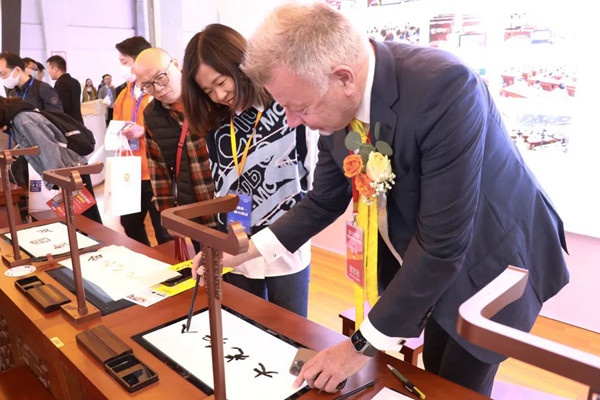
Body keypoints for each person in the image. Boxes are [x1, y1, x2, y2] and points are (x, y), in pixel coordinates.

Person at [196, 3, 569, 396]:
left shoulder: (445, 87)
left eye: (299, 108)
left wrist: (356, 349)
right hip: (427, 257)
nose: (290, 120)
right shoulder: (332, 101)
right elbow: (323, 200)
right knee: (433, 369)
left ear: (343, 79)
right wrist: (245, 250)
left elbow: (441, 246)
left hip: (491, 261)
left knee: (455, 382)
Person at [185, 25, 315, 317]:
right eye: (208, 91)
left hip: (285, 246)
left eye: (222, 82)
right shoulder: (217, 124)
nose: (219, 95)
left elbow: (314, 184)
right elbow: (220, 189)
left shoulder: (287, 108)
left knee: (290, 330)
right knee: (244, 326)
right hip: (236, 249)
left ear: (242, 64)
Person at [134, 48, 214, 251]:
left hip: (229, 205)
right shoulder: (152, 115)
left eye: (161, 77)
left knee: (245, 267)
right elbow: (158, 170)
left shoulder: (209, 95)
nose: (158, 89)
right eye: (148, 86)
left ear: (176, 65)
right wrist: (168, 215)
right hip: (194, 210)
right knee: (207, 265)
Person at [0, 96, 102, 224]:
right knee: (81, 218)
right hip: (68, 168)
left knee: (85, 220)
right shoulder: (18, 117)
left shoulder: (23, 120)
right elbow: (31, 143)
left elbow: (48, 148)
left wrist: (61, 180)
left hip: (69, 169)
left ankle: (94, 237)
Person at [112, 37, 171, 246]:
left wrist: (143, 131)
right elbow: (116, 124)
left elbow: (174, 128)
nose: (121, 67)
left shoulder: (160, 92)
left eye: (124, 61)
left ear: (139, 61)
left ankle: (172, 266)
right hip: (129, 171)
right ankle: (147, 257)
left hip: (156, 171)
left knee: (164, 231)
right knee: (130, 223)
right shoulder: (124, 93)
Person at [46, 55, 84, 123]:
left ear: (55, 69)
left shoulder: (61, 84)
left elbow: (62, 107)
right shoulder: (75, 81)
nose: (48, 72)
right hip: (78, 122)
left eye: (49, 69)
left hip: (68, 123)